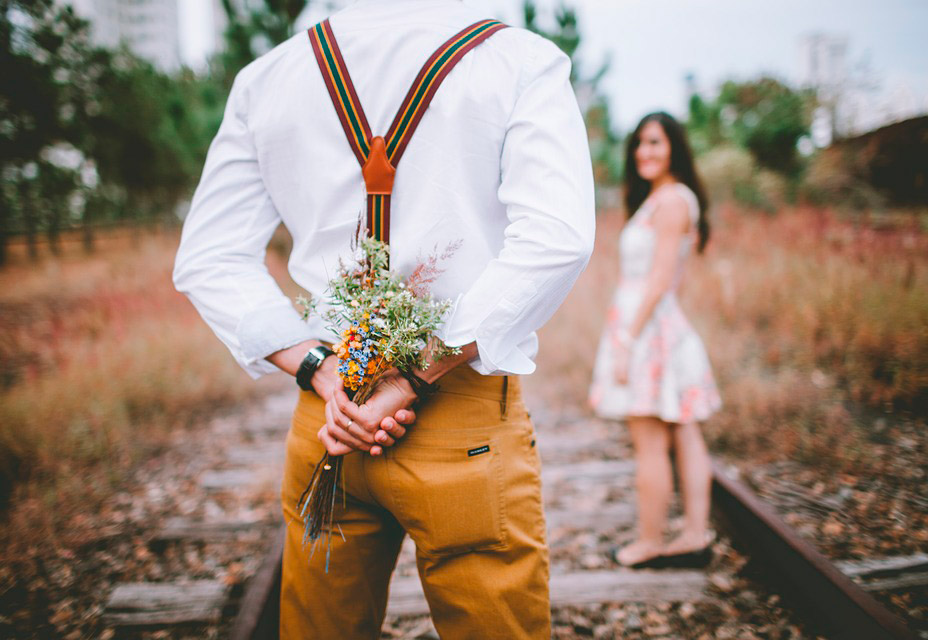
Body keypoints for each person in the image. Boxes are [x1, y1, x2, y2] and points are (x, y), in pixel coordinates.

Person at [172, 0, 595, 637]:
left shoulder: (268, 78)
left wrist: (321, 369)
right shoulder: (517, 60)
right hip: (459, 413)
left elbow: (208, 256)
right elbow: (556, 239)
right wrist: (408, 379)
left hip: (330, 419)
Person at [588, 112, 722, 569]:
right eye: (639, 144)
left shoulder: (670, 202)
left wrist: (627, 338)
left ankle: (650, 542)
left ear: (674, 148)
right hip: (656, 324)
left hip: (646, 330)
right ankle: (692, 534)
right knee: (684, 431)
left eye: (655, 143)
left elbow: (662, 276)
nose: (644, 152)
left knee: (650, 440)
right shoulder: (666, 199)